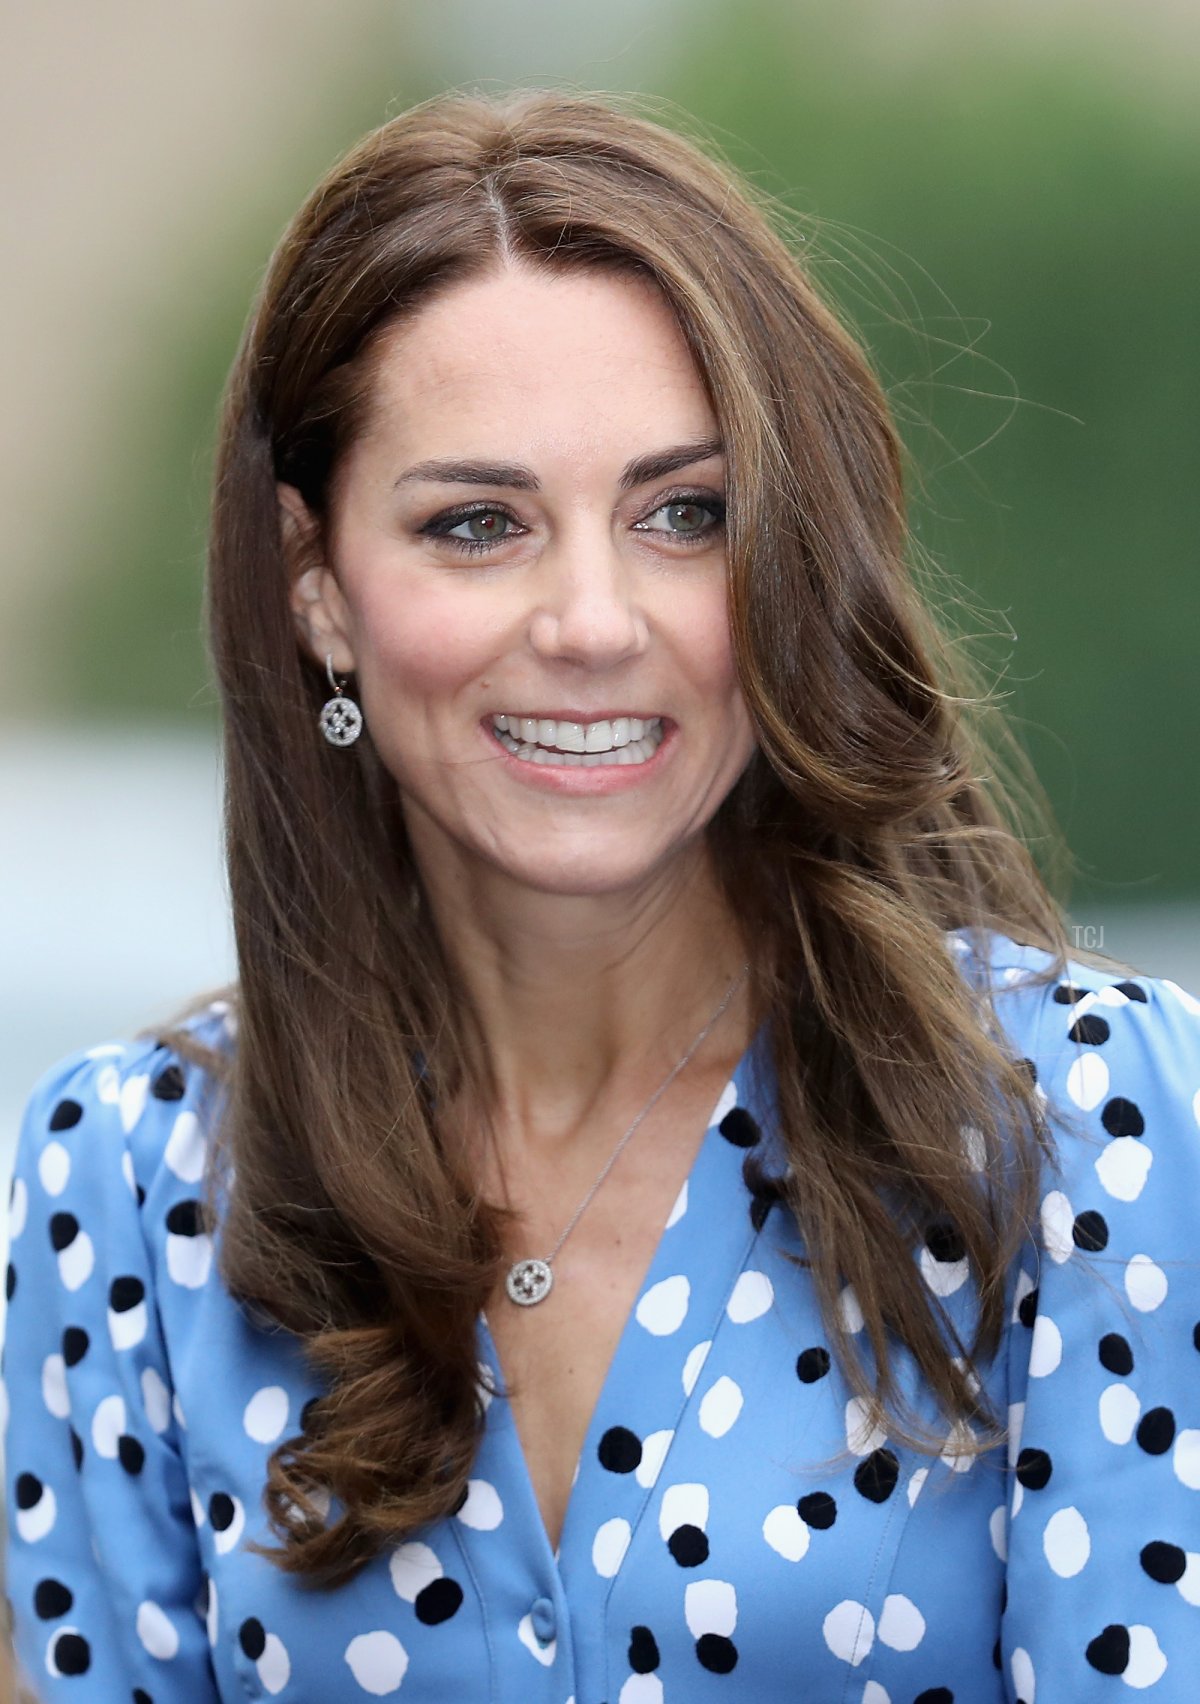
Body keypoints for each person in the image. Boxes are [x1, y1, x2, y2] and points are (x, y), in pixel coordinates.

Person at [4, 86, 1199, 1704]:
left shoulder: (1075, 1124)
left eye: (682, 516)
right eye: (478, 525)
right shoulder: (123, 1187)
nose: (590, 619)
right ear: (317, 590)